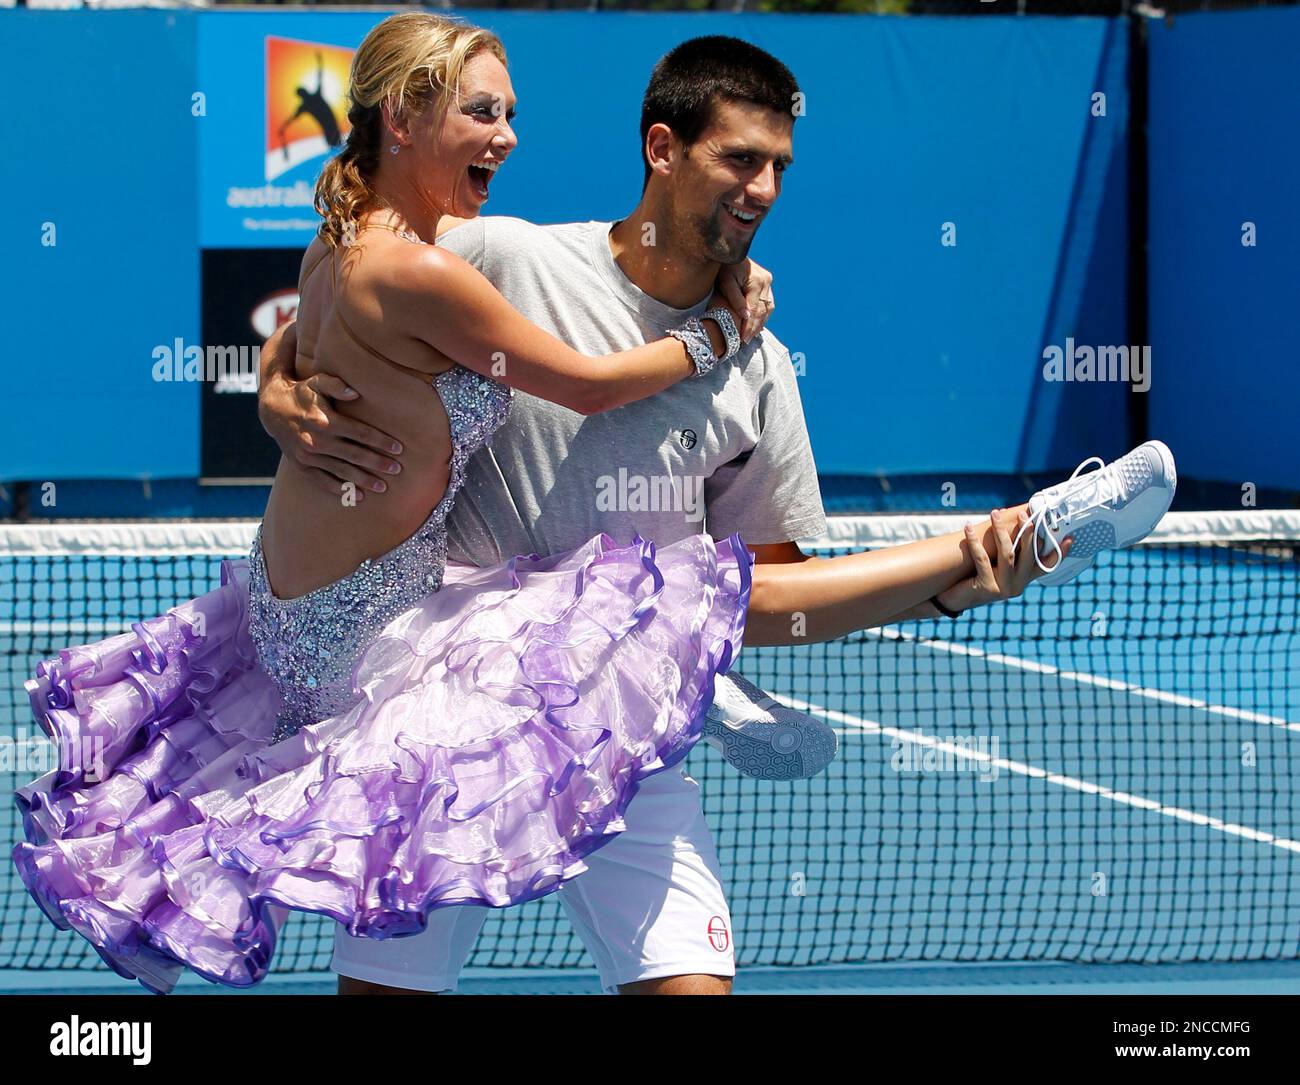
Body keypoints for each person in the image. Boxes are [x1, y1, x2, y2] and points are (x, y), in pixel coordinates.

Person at [255, 26, 1176, 997]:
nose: (763, 188)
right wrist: (279, 395)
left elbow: (770, 582)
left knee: (693, 976)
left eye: (779, 164)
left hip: (616, 713)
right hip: (447, 706)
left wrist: (919, 586)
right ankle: (987, 548)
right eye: (739, 158)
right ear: (662, 149)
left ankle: (998, 551)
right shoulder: (501, 257)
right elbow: (342, 297)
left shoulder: (763, 371)